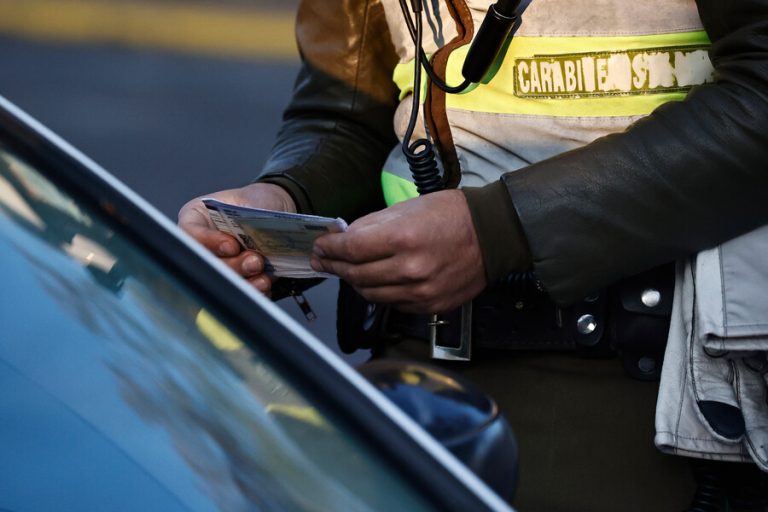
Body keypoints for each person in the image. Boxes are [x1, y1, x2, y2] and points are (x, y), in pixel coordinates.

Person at [178, 1, 768, 510]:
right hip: (413, 383)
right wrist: (279, 200)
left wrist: (498, 229)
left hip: (651, 397)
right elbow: (347, 111)